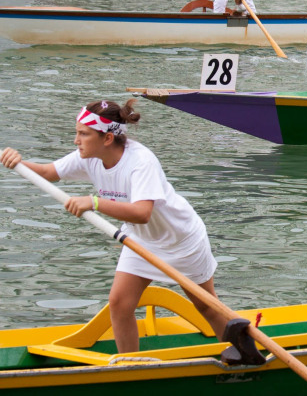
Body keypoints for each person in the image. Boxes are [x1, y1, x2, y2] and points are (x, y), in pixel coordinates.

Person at [0, 100, 229, 353]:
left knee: (206, 305)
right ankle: (130, 365)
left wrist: (95, 202)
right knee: (119, 304)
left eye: (83, 134)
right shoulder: (89, 157)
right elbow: (47, 172)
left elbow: (142, 213)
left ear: (107, 138)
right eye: (77, 133)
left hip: (181, 239)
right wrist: (18, 162)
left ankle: (241, 356)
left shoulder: (141, 161)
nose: (76, 141)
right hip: (140, 239)